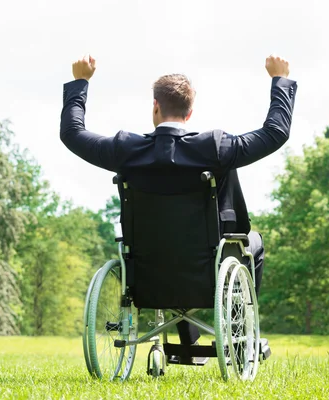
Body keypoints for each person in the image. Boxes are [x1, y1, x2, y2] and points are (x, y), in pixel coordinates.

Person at [60, 54, 297, 357]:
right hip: (208, 265)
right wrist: (280, 80)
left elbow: (72, 133)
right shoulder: (216, 148)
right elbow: (275, 133)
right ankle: (238, 332)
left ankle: (188, 341)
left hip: (148, 271)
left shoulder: (124, 150)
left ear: (155, 107)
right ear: (190, 113)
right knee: (254, 244)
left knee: (171, 246)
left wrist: (81, 82)